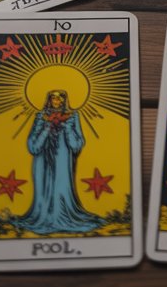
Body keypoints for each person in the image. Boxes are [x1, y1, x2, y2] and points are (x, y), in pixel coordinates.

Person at [14, 90, 103, 235]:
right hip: (42, 163)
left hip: (63, 161)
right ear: (48, 100)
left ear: (65, 100)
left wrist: (68, 128)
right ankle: (43, 217)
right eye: (53, 98)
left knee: (61, 190)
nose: (57, 101)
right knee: (43, 192)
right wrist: (46, 128)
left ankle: (63, 218)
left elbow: (77, 144)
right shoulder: (40, 116)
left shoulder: (73, 117)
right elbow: (32, 146)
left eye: (60, 98)